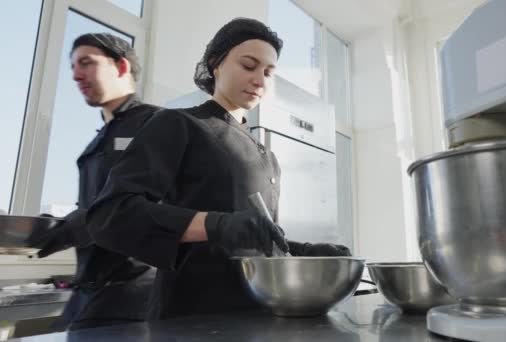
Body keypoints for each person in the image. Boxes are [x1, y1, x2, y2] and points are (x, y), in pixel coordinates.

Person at [86, 18, 351, 320]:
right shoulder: (178, 124)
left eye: (268, 72)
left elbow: (251, 238)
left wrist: (302, 250)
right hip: (192, 315)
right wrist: (216, 225)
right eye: (249, 66)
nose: (260, 81)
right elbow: (110, 216)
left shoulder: (267, 156)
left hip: (259, 314)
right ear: (216, 64)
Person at [30, 33, 160, 330]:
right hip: (88, 293)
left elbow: (150, 208)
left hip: (131, 294)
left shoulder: (158, 123)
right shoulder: (99, 141)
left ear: (121, 67)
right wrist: (52, 226)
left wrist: (73, 227)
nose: (76, 75)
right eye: (73, 67)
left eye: (86, 63)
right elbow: (96, 207)